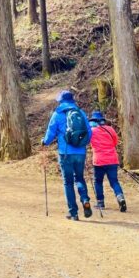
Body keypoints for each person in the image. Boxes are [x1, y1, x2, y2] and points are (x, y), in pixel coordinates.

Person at [41, 90, 92, 220]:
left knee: (68, 183)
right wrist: (82, 144)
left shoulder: (57, 114)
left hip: (65, 154)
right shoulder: (80, 112)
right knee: (79, 178)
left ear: (61, 101)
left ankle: (73, 213)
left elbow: (51, 132)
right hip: (80, 152)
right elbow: (89, 132)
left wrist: (45, 142)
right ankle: (85, 199)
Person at [89, 110, 127, 212]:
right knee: (114, 181)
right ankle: (120, 197)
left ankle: (100, 203)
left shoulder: (91, 131)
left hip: (99, 160)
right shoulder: (110, 129)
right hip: (112, 159)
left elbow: (88, 142)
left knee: (98, 182)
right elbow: (115, 142)